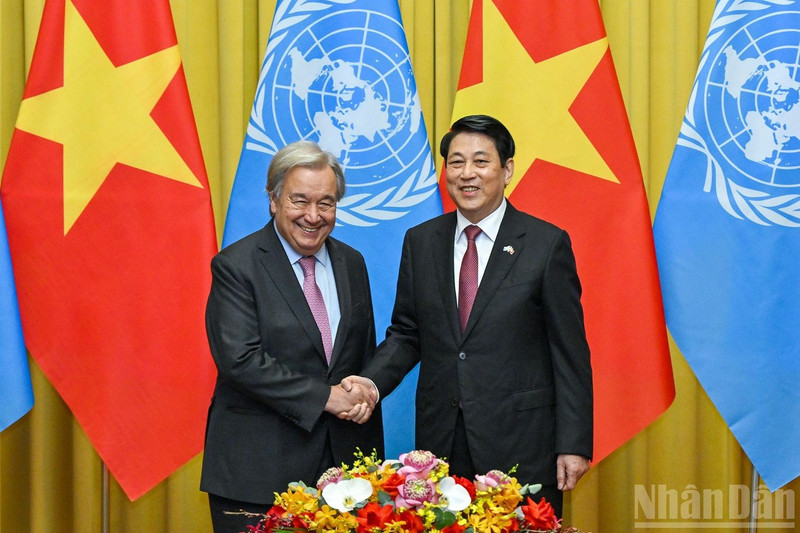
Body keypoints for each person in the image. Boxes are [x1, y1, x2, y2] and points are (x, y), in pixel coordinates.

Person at [349, 115, 592, 517]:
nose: (467, 174)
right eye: (456, 162)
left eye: (480, 161)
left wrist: (574, 442)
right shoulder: (422, 241)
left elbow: (569, 352)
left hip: (522, 444)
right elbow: (408, 333)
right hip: (441, 445)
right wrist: (371, 384)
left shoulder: (546, 245)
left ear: (507, 169)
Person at [200, 141, 383, 532]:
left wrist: (364, 394)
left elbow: (359, 356)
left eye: (327, 203)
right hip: (258, 473)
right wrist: (326, 397)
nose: (313, 216)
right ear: (274, 200)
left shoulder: (352, 262)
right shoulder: (236, 266)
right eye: (300, 201)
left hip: (344, 473)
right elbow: (240, 360)